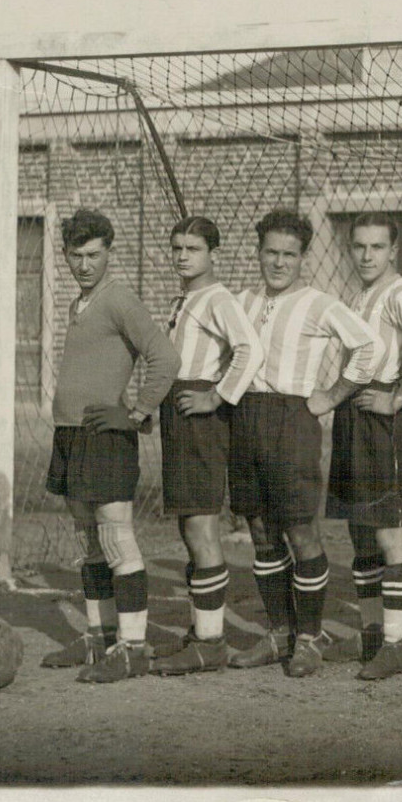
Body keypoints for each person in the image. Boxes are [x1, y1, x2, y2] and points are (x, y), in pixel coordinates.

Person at [223, 209, 380, 678]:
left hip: (293, 418)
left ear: (303, 257)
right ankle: (278, 634)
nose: (278, 262)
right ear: (258, 253)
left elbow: (369, 346)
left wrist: (331, 395)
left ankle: (309, 638)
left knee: (299, 528)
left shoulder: (318, 303)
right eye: (270, 252)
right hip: (246, 416)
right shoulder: (242, 301)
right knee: (259, 528)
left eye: (289, 254)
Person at [38, 208, 178, 684]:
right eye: (75, 255)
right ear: (66, 256)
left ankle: (134, 647)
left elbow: (165, 356)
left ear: (108, 253)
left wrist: (136, 412)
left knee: (116, 537)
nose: (84, 264)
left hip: (105, 436)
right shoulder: (80, 303)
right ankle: (98, 638)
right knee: (87, 539)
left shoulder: (119, 298)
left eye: (94, 255)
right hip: (71, 433)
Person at [325, 211, 402, 681]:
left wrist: (398, 398)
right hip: (353, 413)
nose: (367, 255)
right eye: (359, 247)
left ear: (393, 250)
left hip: (382, 417)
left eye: (377, 247)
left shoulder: (401, 293)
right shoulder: (358, 295)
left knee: (389, 530)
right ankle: (372, 633)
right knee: (360, 528)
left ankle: (397, 642)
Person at [150, 216, 264, 676]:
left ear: (211, 252)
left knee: (201, 528)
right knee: (187, 528)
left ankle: (212, 642)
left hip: (202, 419)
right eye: (176, 247)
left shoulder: (219, 298)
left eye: (192, 249)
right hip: (179, 414)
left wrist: (217, 395)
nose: (182, 256)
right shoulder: (186, 296)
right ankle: (201, 633)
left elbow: (249, 349)